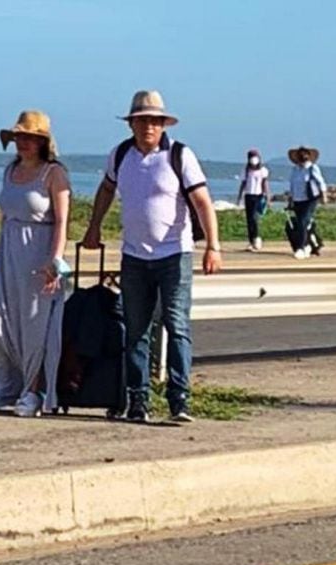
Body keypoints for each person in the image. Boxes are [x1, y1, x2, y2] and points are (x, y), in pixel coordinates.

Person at [81, 90, 222, 424]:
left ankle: (179, 400)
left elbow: (202, 201)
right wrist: (94, 228)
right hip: (134, 256)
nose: (149, 126)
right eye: (143, 120)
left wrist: (213, 246)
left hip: (175, 253)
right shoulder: (120, 155)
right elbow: (106, 189)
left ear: (163, 124)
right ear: (132, 124)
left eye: (155, 121)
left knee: (177, 324)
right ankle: (138, 401)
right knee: (136, 330)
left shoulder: (179, 155)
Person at [0, 110, 72, 417]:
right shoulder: (10, 171)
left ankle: (32, 391)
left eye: (31, 138)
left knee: (34, 327)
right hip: (9, 251)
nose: (24, 143)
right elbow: (6, 216)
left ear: (42, 141)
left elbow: (61, 221)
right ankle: (1, 387)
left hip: (40, 252)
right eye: (20, 137)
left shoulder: (54, 173)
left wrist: (55, 260)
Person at [287, 145, 327, 259]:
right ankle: (310, 244)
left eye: (305, 154)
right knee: (301, 223)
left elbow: (321, 182)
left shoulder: (312, 168)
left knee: (303, 222)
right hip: (297, 199)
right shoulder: (295, 170)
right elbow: (292, 185)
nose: (303, 156)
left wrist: (324, 196)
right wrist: (290, 199)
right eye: (301, 154)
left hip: (310, 199)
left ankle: (301, 247)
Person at [236, 148, 270, 252]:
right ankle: (251, 241)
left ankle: (257, 239)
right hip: (248, 196)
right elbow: (243, 184)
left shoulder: (263, 171)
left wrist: (268, 197)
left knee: (255, 218)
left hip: (258, 196)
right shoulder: (246, 171)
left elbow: (265, 184)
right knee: (249, 219)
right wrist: (239, 196)